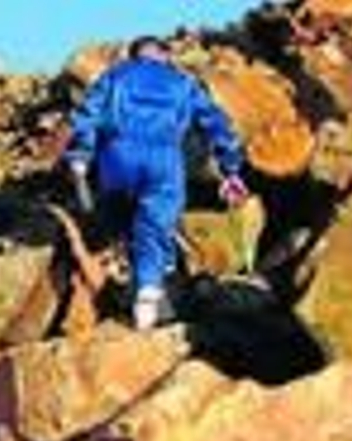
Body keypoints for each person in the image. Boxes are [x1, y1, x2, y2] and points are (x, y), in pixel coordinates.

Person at [64, 37, 250, 330]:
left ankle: (132, 270)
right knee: (154, 226)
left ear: (133, 55)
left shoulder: (115, 75)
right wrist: (231, 170)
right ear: (164, 55)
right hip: (163, 160)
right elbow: (217, 123)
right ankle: (149, 300)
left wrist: (80, 156)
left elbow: (87, 114)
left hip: (116, 159)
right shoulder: (182, 82)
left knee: (125, 221)